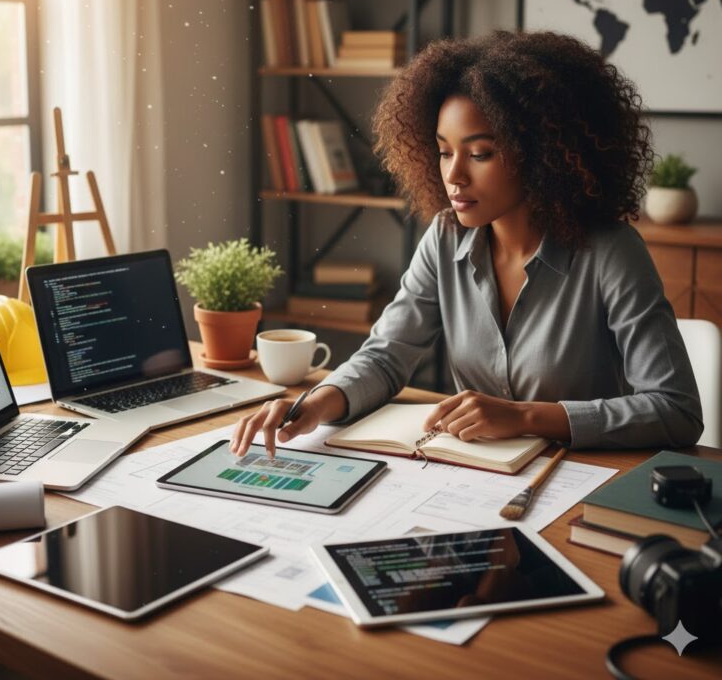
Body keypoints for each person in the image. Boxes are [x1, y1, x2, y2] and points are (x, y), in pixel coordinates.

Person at [231, 30, 702, 459]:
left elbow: (676, 410)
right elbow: (387, 355)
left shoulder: (611, 252)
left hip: (579, 480)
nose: (454, 176)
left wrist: (525, 416)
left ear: (540, 154)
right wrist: (308, 408)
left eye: (480, 154)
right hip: (470, 479)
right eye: (443, 151)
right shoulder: (445, 237)